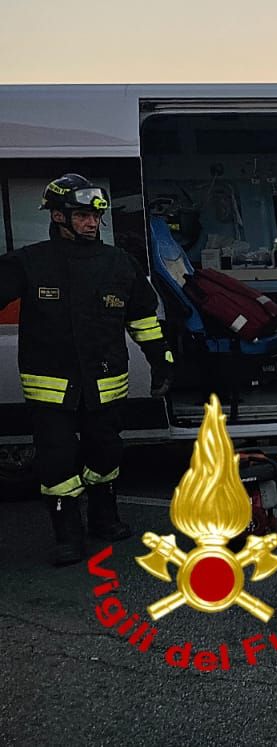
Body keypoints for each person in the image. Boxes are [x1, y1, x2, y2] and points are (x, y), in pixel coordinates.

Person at [0, 174, 173, 566]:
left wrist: (161, 361)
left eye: (96, 216)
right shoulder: (29, 262)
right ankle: (68, 537)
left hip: (106, 384)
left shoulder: (119, 264)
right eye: (81, 216)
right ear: (58, 217)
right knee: (57, 462)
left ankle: (104, 518)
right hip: (51, 388)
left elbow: (144, 319)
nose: (92, 223)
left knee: (106, 453)